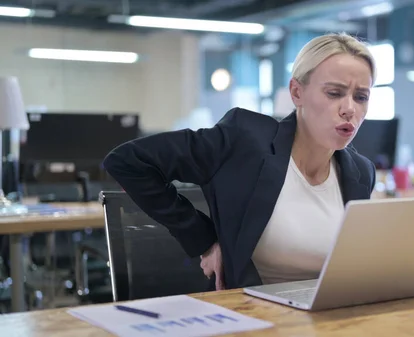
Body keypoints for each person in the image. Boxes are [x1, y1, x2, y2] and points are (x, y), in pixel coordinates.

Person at [103, 32, 378, 291]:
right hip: (253, 315)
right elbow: (128, 161)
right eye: (334, 93)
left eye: (361, 97)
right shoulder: (244, 140)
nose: (349, 109)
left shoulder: (360, 172)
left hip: (329, 317)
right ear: (297, 93)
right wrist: (204, 240)